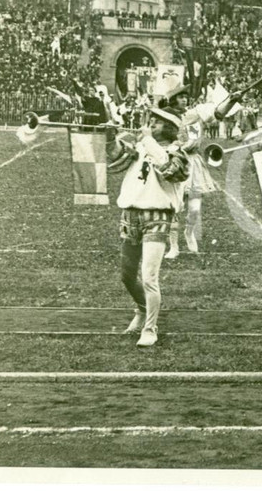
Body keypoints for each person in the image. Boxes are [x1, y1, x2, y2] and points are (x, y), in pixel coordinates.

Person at [106, 106, 190, 347]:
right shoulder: (142, 146)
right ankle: (142, 309)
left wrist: (149, 140)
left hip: (158, 214)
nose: (152, 124)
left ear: (170, 127)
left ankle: (150, 327)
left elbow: (171, 171)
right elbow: (116, 158)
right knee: (127, 275)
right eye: (151, 120)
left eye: (158, 122)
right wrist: (111, 138)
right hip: (131, 212)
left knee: (149, 275)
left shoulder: (176, 151)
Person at [162, 85, 242, 258]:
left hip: (193, 162)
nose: (184, 100)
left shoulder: (196, 113)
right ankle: (173, 246)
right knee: (174, 206)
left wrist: (230, 101)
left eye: (185, 97)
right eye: (180, 97)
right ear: (173, 100)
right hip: (175, 160)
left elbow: (218, 113)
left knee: (195, 208)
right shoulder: (165, 117)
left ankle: (189, 233)